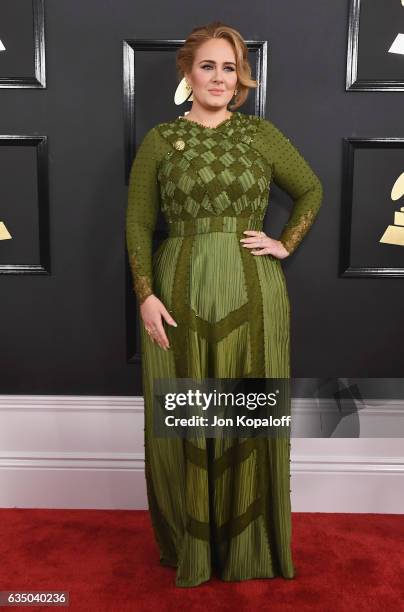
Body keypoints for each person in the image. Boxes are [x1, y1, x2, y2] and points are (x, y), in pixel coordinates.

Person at [126, 21, 323, 587]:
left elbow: (311, 187)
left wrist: (284, 242)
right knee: (185, 414)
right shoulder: (161, 141)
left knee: (247, 414)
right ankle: (192, 547)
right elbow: (139, 223)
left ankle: (249, 552)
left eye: (229, 67)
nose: (219, 77)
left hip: (253, 289)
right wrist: (144, 294)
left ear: (241, 78)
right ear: (188, 73)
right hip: (178, 290)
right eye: (208, 65)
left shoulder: (260, 135)